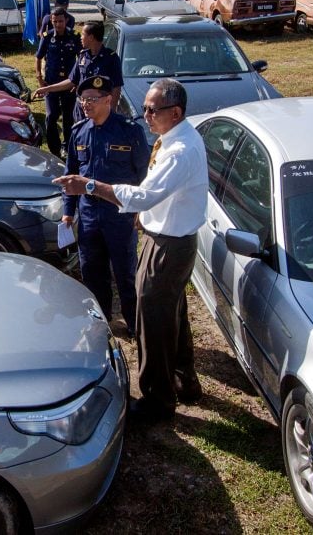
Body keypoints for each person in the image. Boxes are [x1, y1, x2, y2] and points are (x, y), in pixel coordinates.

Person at [52, 78, 207, 421]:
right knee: (172, 314)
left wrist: (88, 185)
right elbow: (154, 195)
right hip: (166, 237)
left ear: (175, 112)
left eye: (153, 110)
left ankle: (156, 401)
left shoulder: (181, 151)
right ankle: (185, 381)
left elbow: (143, 194)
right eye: (146, 108)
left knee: (152, 319)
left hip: (169, 245)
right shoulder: (174, 139)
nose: (146, 114)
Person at [60, 75, 148, 337]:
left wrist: (141, 211)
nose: (86, 104)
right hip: (89, 216)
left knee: (125, 274)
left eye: (92, 99)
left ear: (109, 100)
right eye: (83, 99)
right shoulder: (79, 131)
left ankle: (134, 325)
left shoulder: (129, 131)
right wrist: (67, 212)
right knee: (92, 273)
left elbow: (144, 175)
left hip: (120, 216)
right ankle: (103, 322)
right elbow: (71, 175)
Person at [34, 21, 122, 123]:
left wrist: (111, 111)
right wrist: (47, 89)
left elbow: (117, 87)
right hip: (82, 110)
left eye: (83, 34)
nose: (81, 37)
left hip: (100, 111)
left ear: (91, 37)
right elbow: (71, 81)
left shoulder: (111, 58)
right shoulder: (82, 56)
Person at [35, 7, 80, 158]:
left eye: (60, 21)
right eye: (54, 22)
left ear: (66, 20)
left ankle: (66, 146)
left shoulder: (74, 36)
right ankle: (54, 149)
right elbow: (38, 56)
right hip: (50, 84)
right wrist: (39, 78)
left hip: (69, 84)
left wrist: (78, 81)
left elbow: (81, 59)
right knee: (51, 116)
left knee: (68, 117)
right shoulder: (47, 37)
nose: (58, 24)